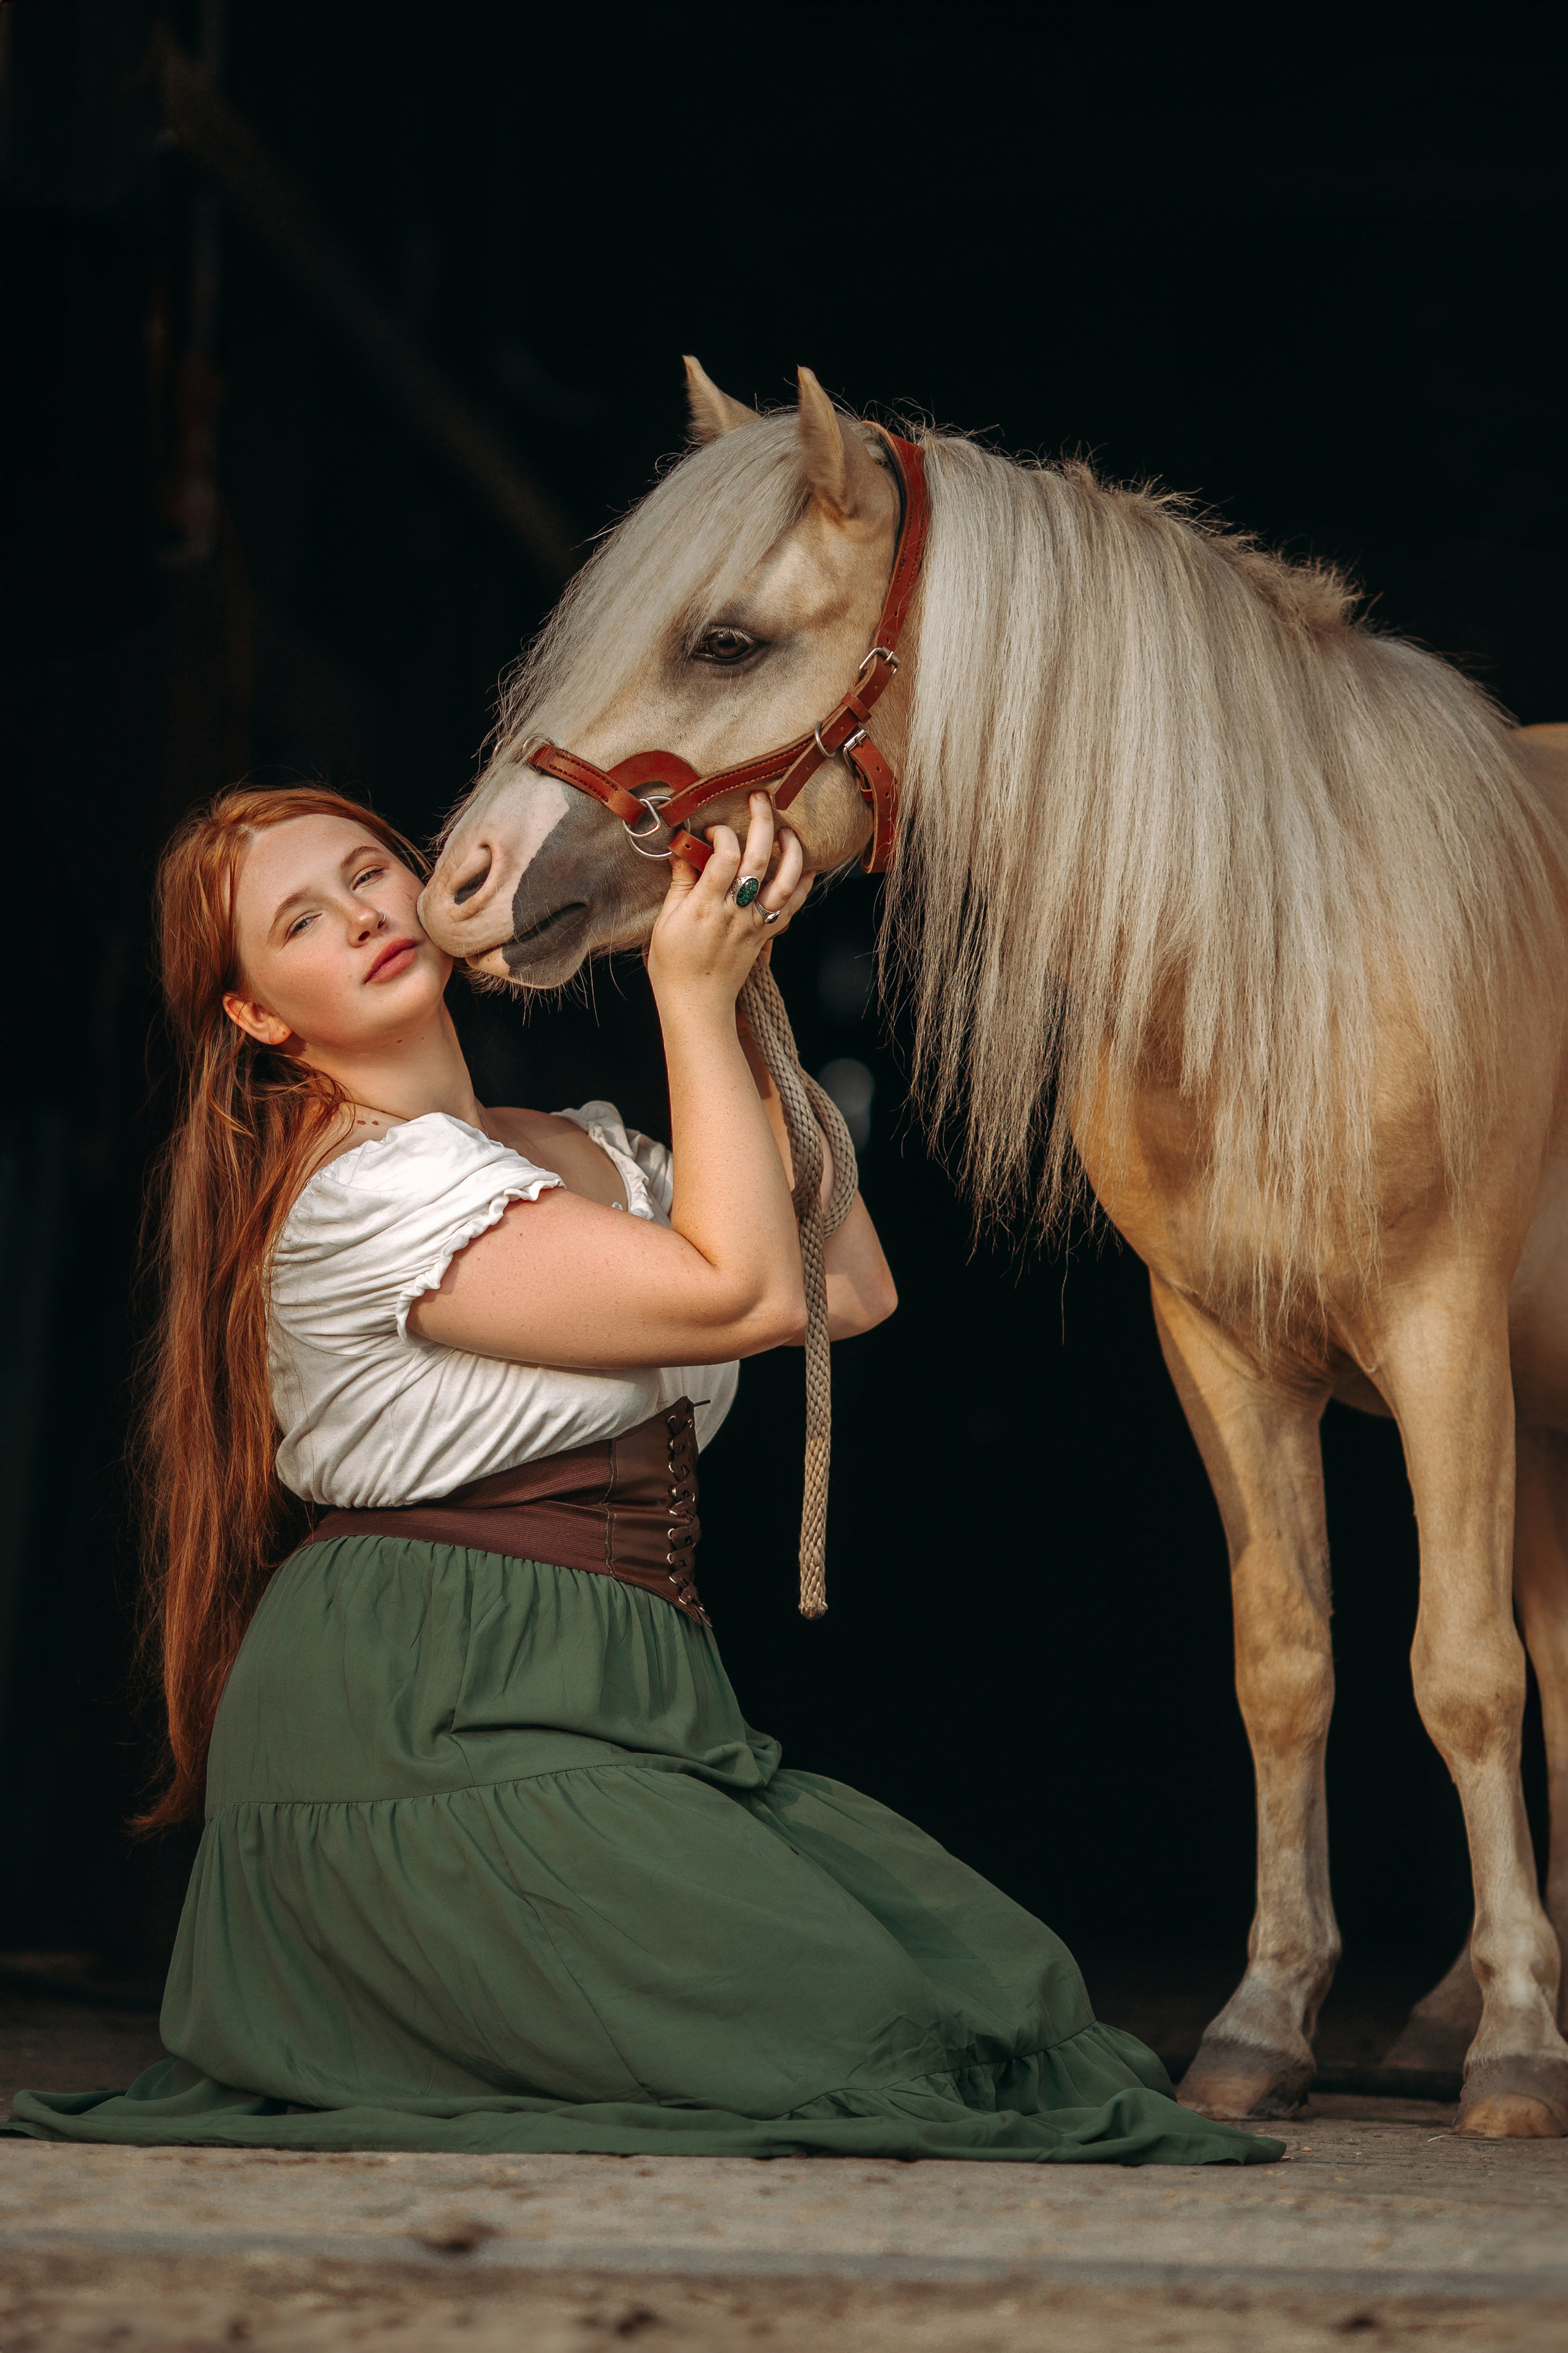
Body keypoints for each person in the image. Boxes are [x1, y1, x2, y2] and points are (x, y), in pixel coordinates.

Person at [7, 784, 1277, 2164]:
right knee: (868, 2033)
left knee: (999, 1990)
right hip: (426, 1717)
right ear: (259, 1014)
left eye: (373, 870)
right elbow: (737, 1286)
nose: (366, 913)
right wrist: (684, 997)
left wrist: (735, 986)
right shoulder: (366, 1192)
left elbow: (844, 1286)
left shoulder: (580, 1149)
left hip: (635, 1699)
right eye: (302, 920)